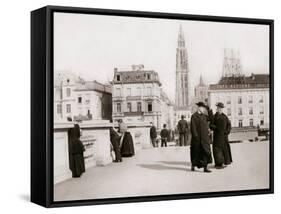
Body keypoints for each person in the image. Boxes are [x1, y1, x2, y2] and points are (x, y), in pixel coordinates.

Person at [190, 102, 213, 173]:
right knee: (195, 152)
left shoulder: (204, 116)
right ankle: (193, 165)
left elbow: (211, 119)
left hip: (204, 138)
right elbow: (192, 127)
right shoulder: (194, 116)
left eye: (204, 108)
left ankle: (205, 168)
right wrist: (195, 136)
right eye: (202, 108)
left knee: (205, 152)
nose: (203, 109)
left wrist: (209, 110)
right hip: (197, 138)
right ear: (199, 108)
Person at [209, 102, 232, 169]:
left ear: (222, 109)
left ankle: (224, 162)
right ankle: (218, 164)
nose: (219, 109)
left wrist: (227, 131)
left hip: (224, 137)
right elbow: (210, 125)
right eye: (218, 108)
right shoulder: (214, 116)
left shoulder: (225, 116)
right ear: (217, 109)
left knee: (224, 150)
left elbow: (229, 125)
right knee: (217, 151)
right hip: (217, 137)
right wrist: (216, 128)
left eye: (221, 108)